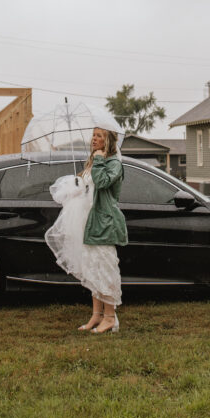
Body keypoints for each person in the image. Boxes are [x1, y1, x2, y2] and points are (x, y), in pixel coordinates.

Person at [45, 126, 128, 334]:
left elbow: (102, 182)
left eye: (99, 136)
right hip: (89, 222)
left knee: (105, 267)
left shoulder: (114, 163)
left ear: (108, 140)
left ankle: (110, 318)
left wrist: (99, 159)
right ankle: (96, 316)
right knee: (92, 268)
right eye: (93, 135)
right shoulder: (95, 161)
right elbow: (90, 187)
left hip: (104, 221)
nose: (94, 139)